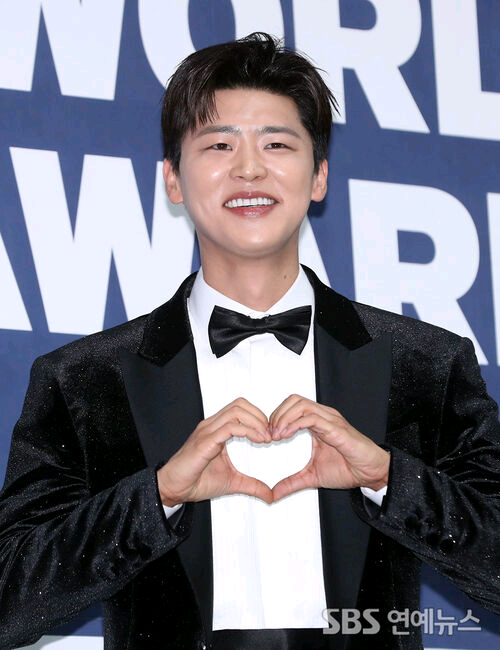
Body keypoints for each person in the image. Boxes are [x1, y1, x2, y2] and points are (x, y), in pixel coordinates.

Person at [1, 32, 500, 650]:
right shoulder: (83, 380)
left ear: (319, 175)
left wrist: (389, 480)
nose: (249, 168)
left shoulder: (426, 364)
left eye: (276, 144)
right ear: (173, 179)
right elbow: (10, 599)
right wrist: (158, 496)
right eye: (218, 144)